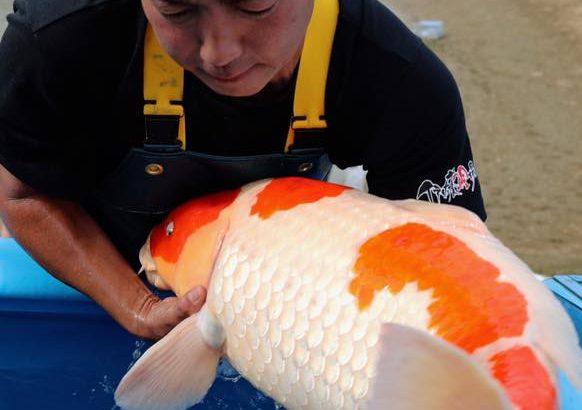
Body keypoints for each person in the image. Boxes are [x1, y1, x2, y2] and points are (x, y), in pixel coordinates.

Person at [0, 0, 486, 341]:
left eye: (254, 6)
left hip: (290, 273)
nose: (220, 52)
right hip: (100, 246)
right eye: (176, 9)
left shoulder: (398, 77)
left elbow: (449, 282)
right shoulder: (59, 36)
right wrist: (139, 306)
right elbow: (21, 195)